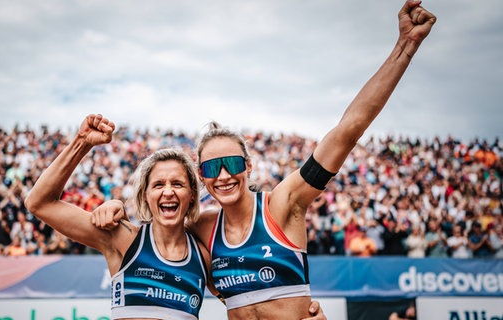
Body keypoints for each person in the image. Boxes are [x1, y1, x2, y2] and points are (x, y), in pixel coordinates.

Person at [97, 1, 436, 318]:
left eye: (232, 163)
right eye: (213, 168)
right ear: (202, 177)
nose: (224, 175)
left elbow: (348, 130)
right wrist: (115, 207)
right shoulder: (202, 229)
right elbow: (156, 226)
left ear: (248, 166)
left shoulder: (282, 206)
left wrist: (405, 46)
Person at [25, 114, 211, 320]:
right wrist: (82, 142)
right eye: (158, 185)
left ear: (192, 193)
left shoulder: (203, 257)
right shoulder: (124, 239)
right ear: (145, 195)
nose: (168, 192)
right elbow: (39, 203)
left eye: (177, 184)